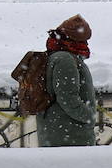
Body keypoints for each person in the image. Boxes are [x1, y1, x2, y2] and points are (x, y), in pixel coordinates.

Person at [38, 14, 97, 147]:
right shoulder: (65, 59)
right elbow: (67, 98)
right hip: (70, 136)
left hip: (59, 132)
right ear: (74, 39)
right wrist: (89, 116)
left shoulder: (57, 56)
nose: (86, 44)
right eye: (84, 40)